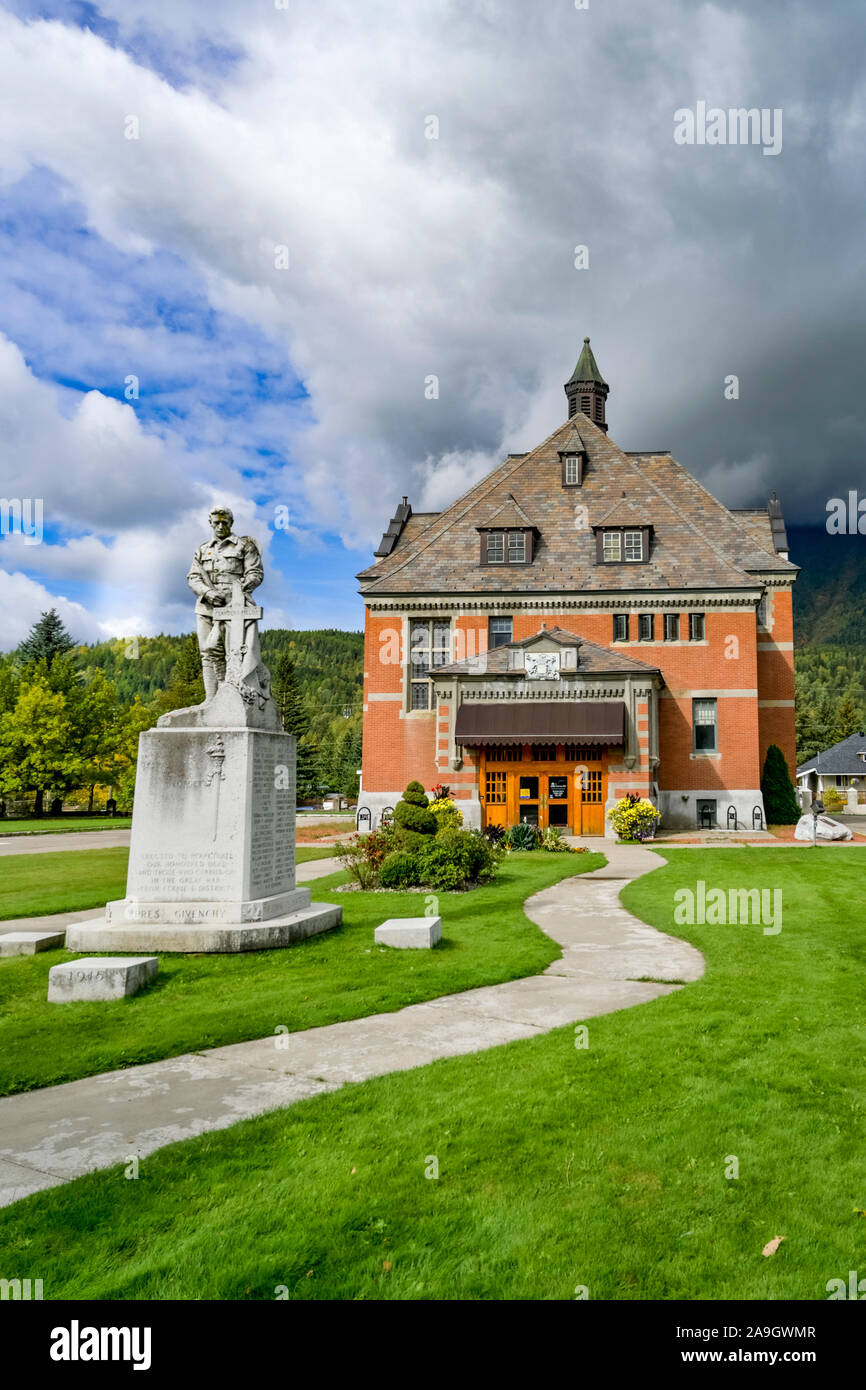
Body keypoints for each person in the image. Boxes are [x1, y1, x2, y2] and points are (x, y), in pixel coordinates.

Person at [187, 506, 269, 701]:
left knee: (235, 654)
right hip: (207, 608)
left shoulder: (243, 546)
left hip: (235, 609)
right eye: (217, 522)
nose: (220, 526)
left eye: (225, 522)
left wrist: (238, 590)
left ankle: (235, 692)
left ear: (231, 523)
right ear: (211, 524)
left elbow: (255, 573)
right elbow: (193, 577)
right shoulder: (202, 549)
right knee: (208, 652)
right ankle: (211, 699)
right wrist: (207, 592)